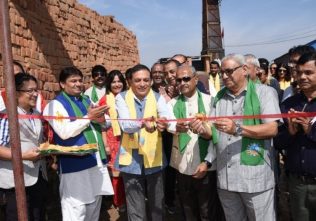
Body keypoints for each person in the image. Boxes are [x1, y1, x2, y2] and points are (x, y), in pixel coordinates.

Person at [211, 54, 281, 221]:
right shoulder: (219, 97)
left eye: (229, 71)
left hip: (254, 178)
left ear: (244, 70)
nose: (224, 76)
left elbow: (272, 128)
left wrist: (237, 129)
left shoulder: (265, 93)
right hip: (226, 178)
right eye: (222, 72)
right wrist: (199, 127)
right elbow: (211, 130)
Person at [43, 67, 113, 221]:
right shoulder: (55, 105)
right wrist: (89, 117)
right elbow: (64, 131)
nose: (78, 84)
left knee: (95, 202)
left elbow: (106, 121)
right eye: (73, 81)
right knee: (76, 207)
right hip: (74, 165)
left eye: (80, 80)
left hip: (95, 160)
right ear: (62, 84)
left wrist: (101, 119)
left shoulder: (86, 99)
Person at [115, 64, 176, 221]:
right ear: (130, 82)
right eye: (138, 80)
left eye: (146, 80)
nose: (142, 84)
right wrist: (143, 123)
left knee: (157, 205)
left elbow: (166, 118)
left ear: (150, 82)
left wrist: (165, 124)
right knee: (135, 208)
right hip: (131, 160)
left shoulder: (158, 97)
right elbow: (126, 125)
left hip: (154, 157)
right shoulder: (121, 98)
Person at [169, 64, 223, 220]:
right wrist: (175, 126)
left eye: (186, 78)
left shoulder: (211, 101)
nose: (182, 83)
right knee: (188, 210)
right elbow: (166, 123)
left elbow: (217, 136)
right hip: (182, 166)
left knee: (208, 211)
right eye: (178, 80)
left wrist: (208, 162)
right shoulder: (172, 104)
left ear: (195, 79)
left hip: (206, 165)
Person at [0, 73, 48, 220]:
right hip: (16, 182)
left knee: (37, 216)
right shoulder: (7, 116)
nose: (35, 94)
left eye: (36, 90)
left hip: (38, 177)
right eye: (30, 91)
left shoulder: (36, 114)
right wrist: (24, 156)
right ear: (16, 93)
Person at [279, 52, 316, 221]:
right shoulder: (289, 104)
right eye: (299, 72)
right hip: (297, 183)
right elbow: (277, 141)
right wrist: (291, 132)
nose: (302, 77)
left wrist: (310, 130)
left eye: (308, 72)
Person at [98, 70, 127, 212]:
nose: (117, 84)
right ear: (109, 84)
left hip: (129, 139)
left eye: (119, 81)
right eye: (113, 82)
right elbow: (102, 126)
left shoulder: (129, 97)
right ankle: (119, 201)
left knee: (130, 172)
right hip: (112, 140)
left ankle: (131, 198)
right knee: (117, 175)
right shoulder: (104, 101)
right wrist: (105, 145)